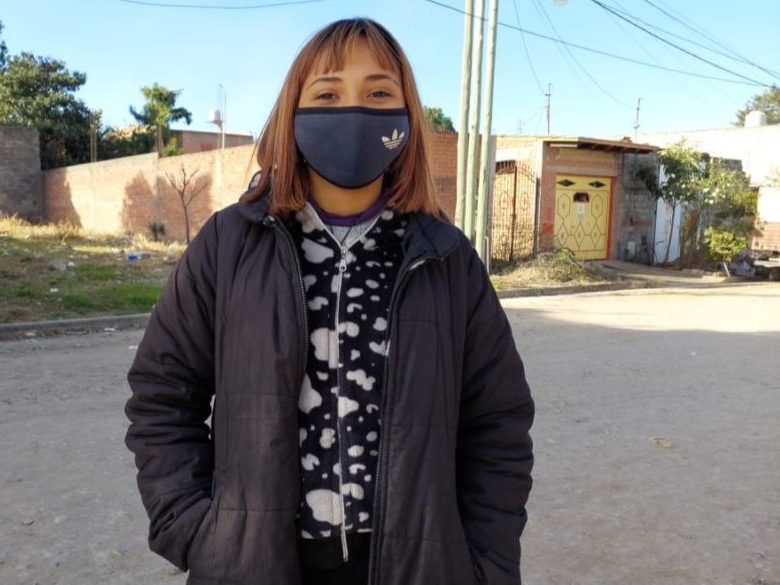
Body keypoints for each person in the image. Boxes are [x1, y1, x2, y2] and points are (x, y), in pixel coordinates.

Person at [125, 17, 534, 585]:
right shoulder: (228, 246)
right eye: (327, 93)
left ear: (407, 116)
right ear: (293, 111)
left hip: (415, 568)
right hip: (258, 565)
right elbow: (162, 396)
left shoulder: (446, 258)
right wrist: (198, 532)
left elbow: (499, 425)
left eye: (378, 93)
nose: (354, 110)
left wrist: (482, 565)